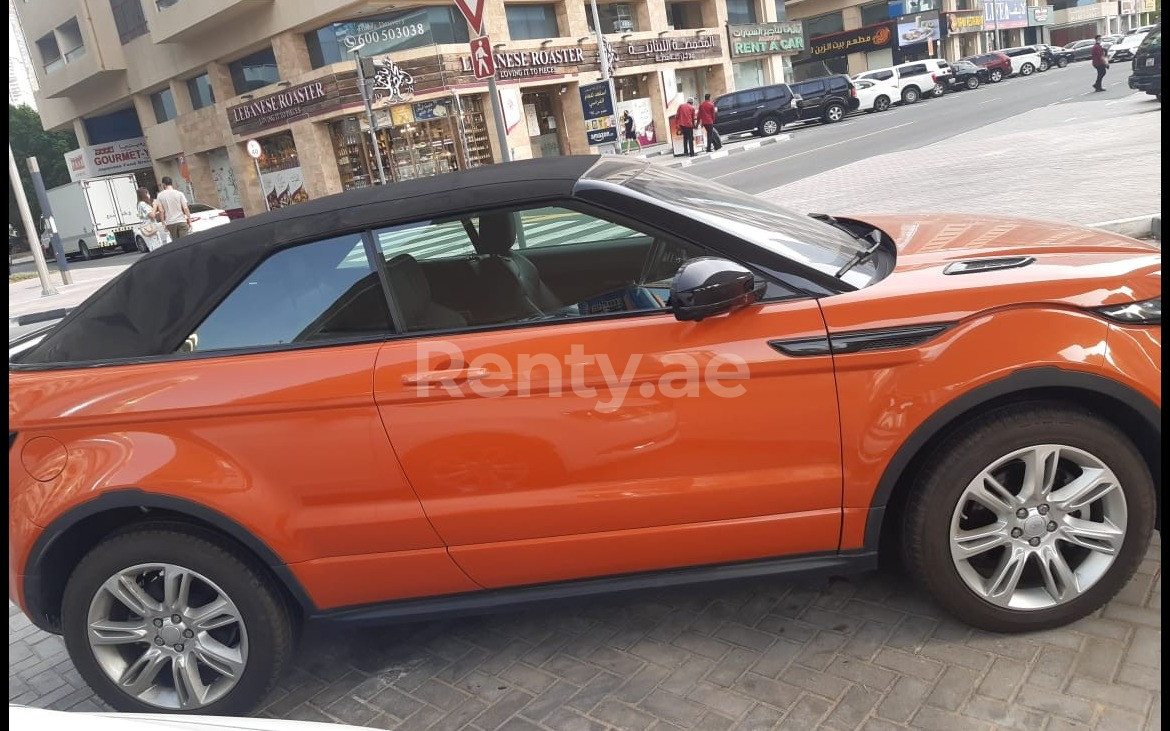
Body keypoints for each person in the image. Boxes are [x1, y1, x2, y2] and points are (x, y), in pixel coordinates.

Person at [154, 176, 192, 241]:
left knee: (176, 243)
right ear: (171, 183)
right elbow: (185, 208)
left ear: (164, 184)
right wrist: (190, 221)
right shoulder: (179, 193)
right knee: (185, 242)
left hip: (170, 223)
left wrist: (163, 223)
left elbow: (161, 211)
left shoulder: (160, 195)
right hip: (181, 221)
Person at [134, 187, 165, 252]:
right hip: (150, 227)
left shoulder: (141, 204)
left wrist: (158, 212)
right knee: (155, 246)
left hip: (149, 226)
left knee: (156, 244)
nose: (149, 195)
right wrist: (154, 205)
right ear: (144, 194)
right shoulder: (142, 204)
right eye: (147, 193)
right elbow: (151, 215)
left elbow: (149, 215)